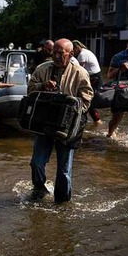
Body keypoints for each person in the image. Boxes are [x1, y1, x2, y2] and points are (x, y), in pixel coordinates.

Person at [27, 38, 93, 203]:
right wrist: (42, 87)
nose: (56, 56)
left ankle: (62, 204)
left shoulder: (80, 73)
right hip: (44, 124)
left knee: (64, 171)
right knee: (36, 162)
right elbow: (30, 90)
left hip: (67, 128)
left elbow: (87, 98)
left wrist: (71, 109)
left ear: (70, 54)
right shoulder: (42, 69)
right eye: (54, 52)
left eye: (60, 53)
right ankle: (39, 189)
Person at [72, 40, 102, 124]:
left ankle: (95, 121)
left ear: (76, 47)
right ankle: (94, 121)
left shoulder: (82, 54)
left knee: (87, 99)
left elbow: (80, 70)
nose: (73, 52)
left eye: (73, 50)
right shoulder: (86, 52)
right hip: (95, 77)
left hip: (94, 78)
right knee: (88, 100)